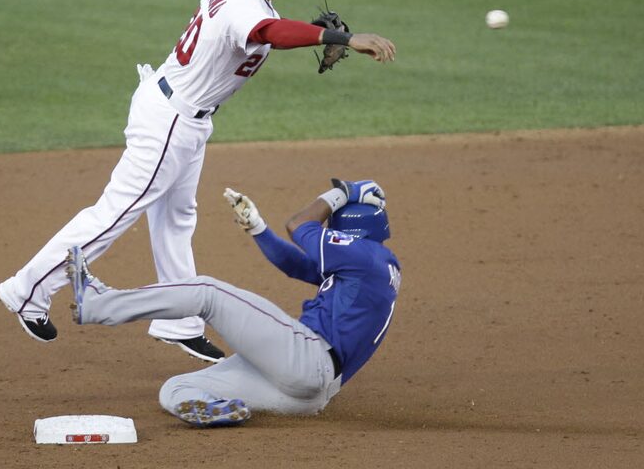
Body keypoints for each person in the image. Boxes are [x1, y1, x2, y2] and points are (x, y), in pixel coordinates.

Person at [0, 0, 396, 363]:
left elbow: (269, 30)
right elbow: (270, 35)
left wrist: (308, 34)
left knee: (176, 219)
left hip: (181, 114)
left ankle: (179, 321)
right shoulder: (244, 7)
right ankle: (28, 289)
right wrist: (341, 38)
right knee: (116, 212)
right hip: (170, 119)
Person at [65, 179, 402, 427]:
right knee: (178, 388)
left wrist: (343, 192)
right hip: (308, 395)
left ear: (348, 227)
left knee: (207, 292)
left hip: (307, 358)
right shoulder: (373, 265)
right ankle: (217, 412)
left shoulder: (363, 255)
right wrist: (258, 229)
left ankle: (98, 303)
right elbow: (300, 266)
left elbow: (299, 225)